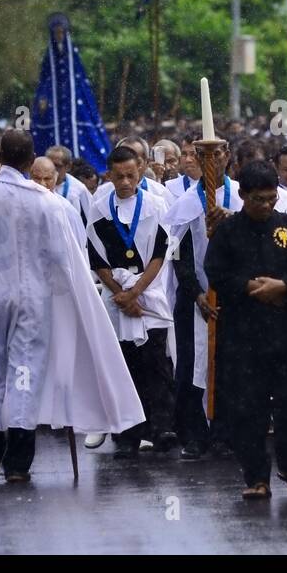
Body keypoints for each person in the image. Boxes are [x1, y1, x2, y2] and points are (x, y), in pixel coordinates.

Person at [0, 130, 144, 483]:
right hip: (31, 301)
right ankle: (19, 460)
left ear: (0, 155)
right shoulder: (48, 203)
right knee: (25, 372)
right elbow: (64, 258)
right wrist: (66, 299)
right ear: (30, 161)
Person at [204, 160, 287, 498]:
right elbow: (216, 273)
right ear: (242, 195)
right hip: (243, 335)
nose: (266, 206)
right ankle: (256, 478)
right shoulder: (227, 230)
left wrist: (282, 287)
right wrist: (250, 286)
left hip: (286, 332)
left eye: (271, 199)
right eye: (258, 200)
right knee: (247, 409)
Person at [84, 147, 176, 457]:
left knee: (156, 364)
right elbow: (97, 257)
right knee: (124, 366)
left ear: (140, 172)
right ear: (109, 175)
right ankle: (127, 431)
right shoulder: (99, 209)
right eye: (119, 176)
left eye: (131, 176)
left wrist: (136, 292)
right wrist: (120, 295)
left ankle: (161, 426)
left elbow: (161, 253)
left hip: (148, 293)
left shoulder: (156, 205)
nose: (125, 182)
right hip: (116, 296)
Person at [163, 139, 242, 460]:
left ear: (227, 156)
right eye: (204, 156)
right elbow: (177, 254)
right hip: (194, 298)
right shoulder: (184, 202)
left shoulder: (239, 196)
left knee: (229, 366)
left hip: (234, 298)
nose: (211, 161)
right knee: (191, 367)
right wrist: (197, 293)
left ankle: (226, 432)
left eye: (217, 154)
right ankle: (194, 434)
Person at [46, 144, 93, 228]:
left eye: (57, 166)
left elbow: (91, 218)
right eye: (50, 164)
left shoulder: (78, 189)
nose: (52, 169)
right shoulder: (38, 185)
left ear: (68, 166)